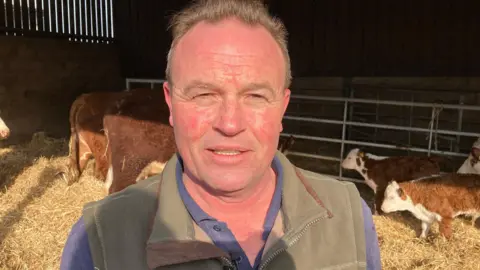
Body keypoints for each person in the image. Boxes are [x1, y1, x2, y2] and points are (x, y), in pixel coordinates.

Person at [60, 0, 382, 269]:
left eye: (255, 96)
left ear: (282, 107)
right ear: (171, 104)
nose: (229, 124)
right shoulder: (99, 241)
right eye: (204, 95)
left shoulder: (349, 217)